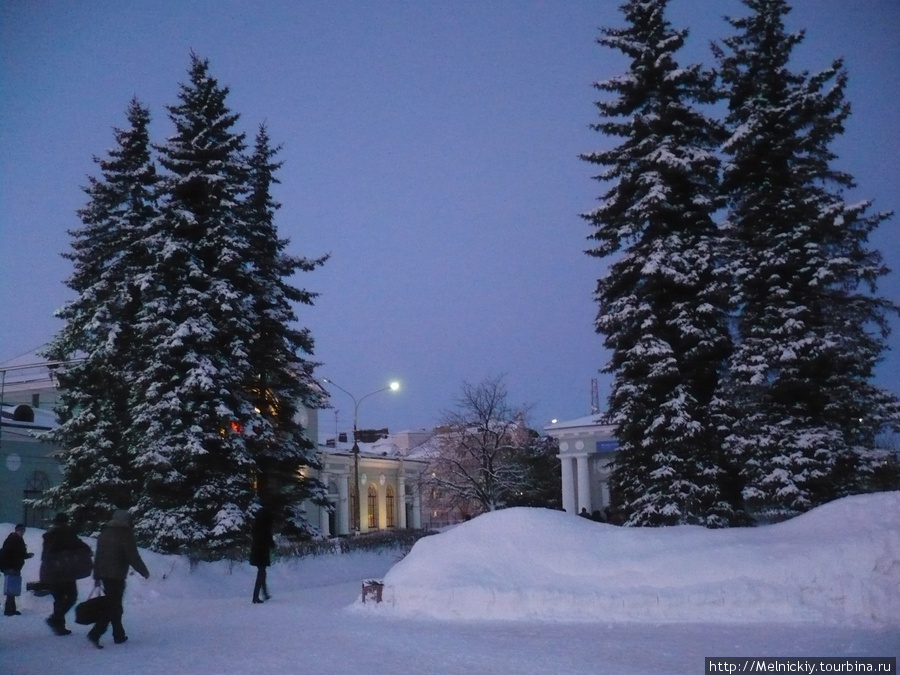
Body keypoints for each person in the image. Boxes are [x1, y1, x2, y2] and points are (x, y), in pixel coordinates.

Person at [87, 509, 150, 648]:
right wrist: (143, 571)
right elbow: (132, 556)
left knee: (114, 605)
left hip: (104, 574)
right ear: (124, 521)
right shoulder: (125, 534)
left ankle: (119, 634)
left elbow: (98, 556)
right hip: (116, 575)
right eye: (128, 519)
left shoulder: (105, 533)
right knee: (113, 606)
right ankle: (96, 633)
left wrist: (97, 575)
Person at [40, 513, 90, 636]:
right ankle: (55, 619)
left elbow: (45, 556)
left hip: (51, 572)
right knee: (72, 596)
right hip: (65, 571)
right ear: (65, 521)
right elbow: (81, 546)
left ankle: (59, 625)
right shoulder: (66, 533)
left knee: (59, 598)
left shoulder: (49, 535)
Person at [1, 524, 34, 616]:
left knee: (13, 589)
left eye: (23, 530)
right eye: (20, 530)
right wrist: (8, 567)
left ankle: (11, 609)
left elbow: (19, 554)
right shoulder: (12, 539)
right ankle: (9, 610)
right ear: (16, 530)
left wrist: (27, 556)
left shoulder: (18, 540)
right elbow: (5, 554)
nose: (22, 532)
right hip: (11, 567)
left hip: (15, 567)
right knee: (11, 589)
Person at [250, 507, 274, 604]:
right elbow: (268, 539)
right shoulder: (265, 526)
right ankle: (256, 596)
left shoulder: (256, 525)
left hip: (257, 551)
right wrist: (272, 544)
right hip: (262, 552)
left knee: (262, 572)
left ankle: (264, 593)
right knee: (261, 573)